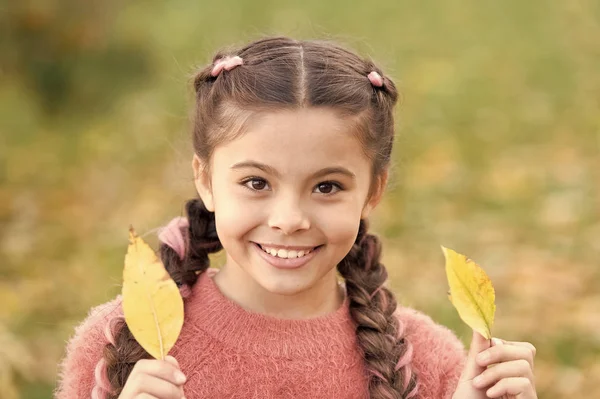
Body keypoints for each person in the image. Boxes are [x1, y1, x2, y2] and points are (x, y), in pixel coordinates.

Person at [54, 36, 538, 399]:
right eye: (256, 183)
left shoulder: (426, 361)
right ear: (205, 179)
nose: (289, 219)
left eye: (326, 187)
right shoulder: (120, 342)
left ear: (373, 190)